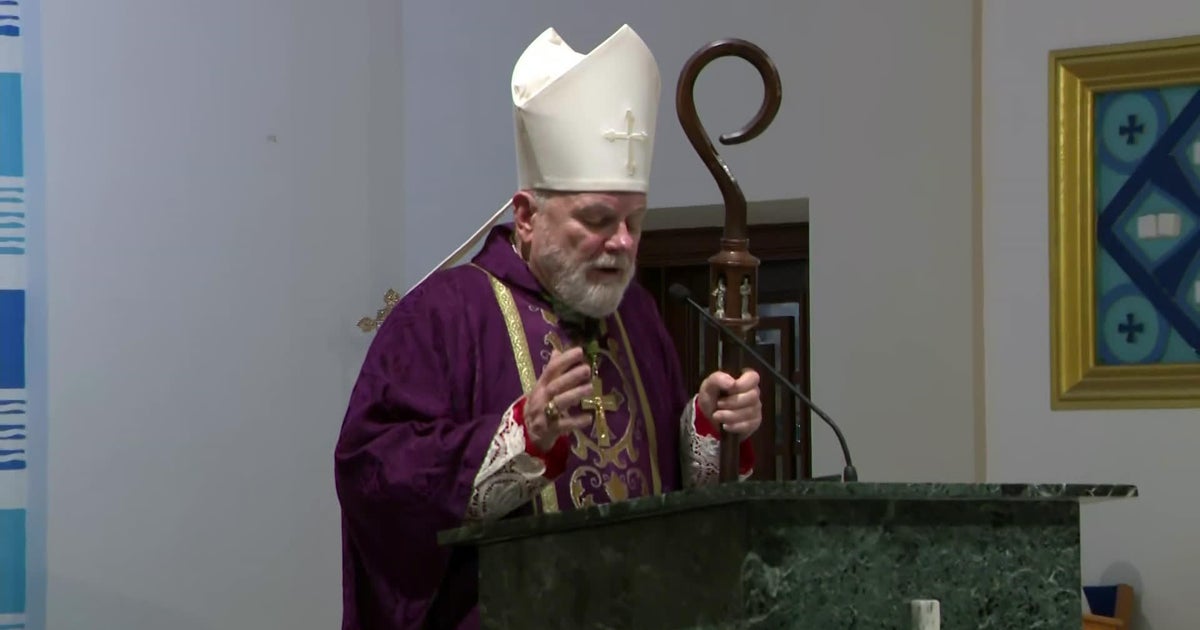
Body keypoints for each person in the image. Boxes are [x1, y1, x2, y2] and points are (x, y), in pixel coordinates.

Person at [334, 24, 762, 630]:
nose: (620, 242)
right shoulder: (442, 316)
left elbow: (669, 493)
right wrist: (517, 437)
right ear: (528, 216)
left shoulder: (636, 316)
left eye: (633, 222)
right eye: (596, 219)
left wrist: (707, 429)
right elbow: (371, 474)